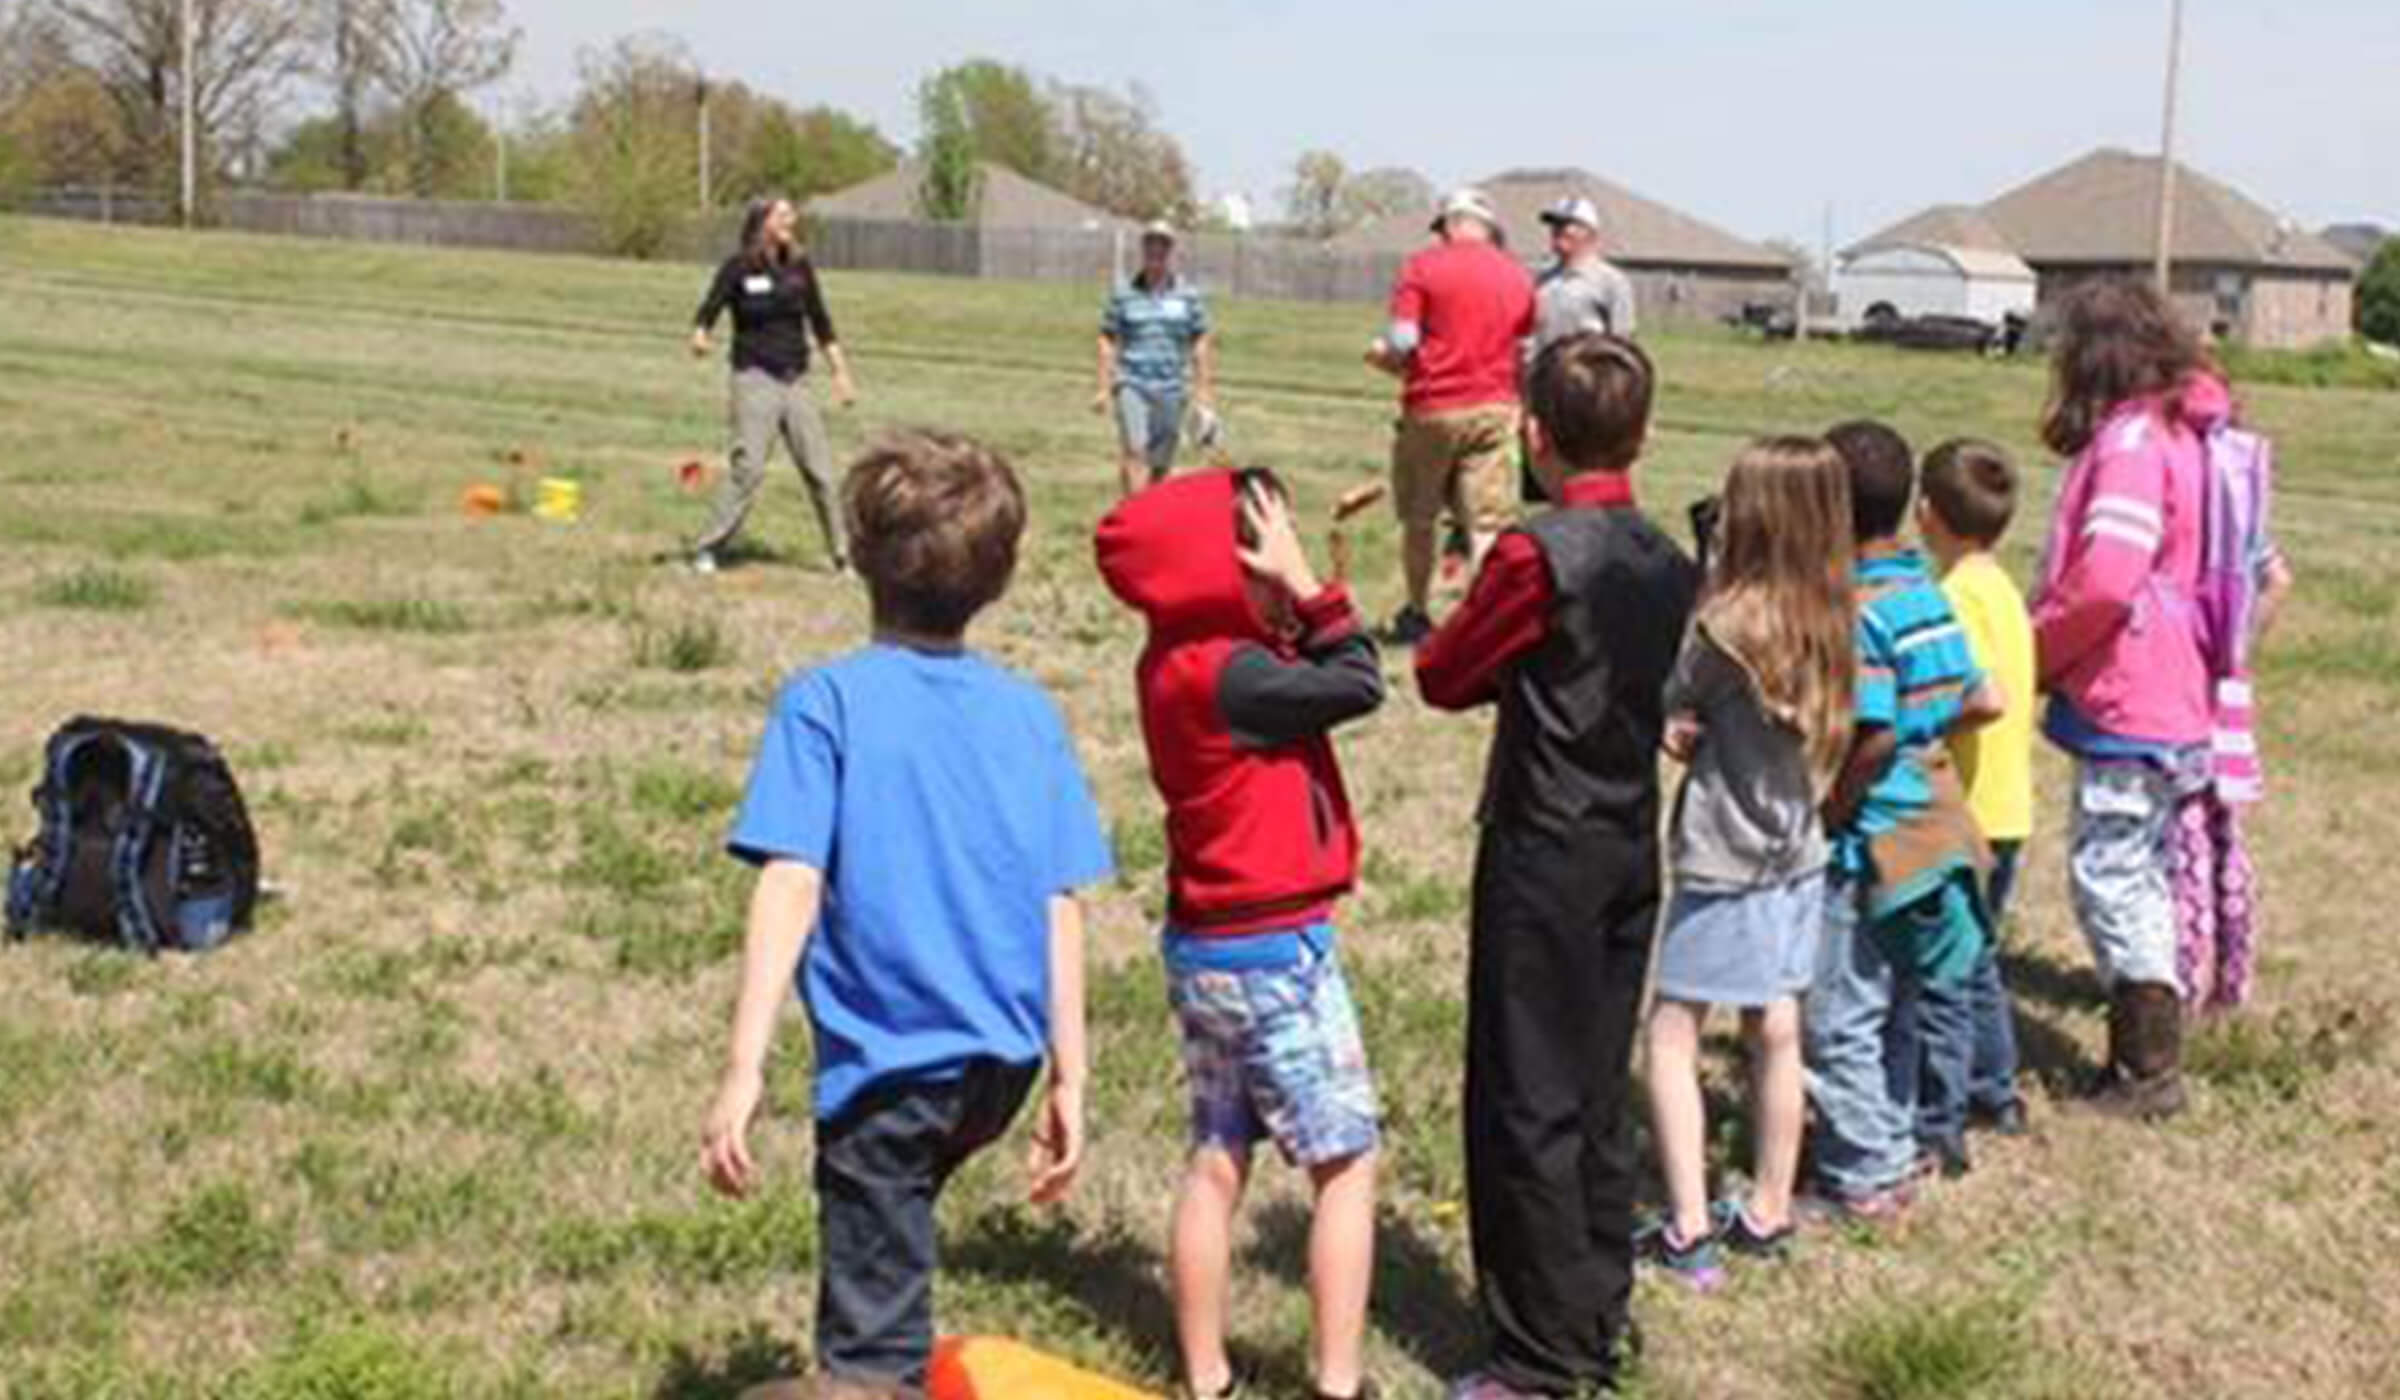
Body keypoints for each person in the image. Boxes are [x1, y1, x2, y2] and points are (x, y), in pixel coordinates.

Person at [699, 430, 1113, 1397]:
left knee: (874, 1346)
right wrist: (1070, 1078)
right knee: (895, 1230)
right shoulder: (1028, 714)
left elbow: (792, 881)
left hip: (895, 1070)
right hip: (998, 1068)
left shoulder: (826, 704)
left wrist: (743, 1066)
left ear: (862, 558)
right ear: (999, 578)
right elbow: (1061, 902)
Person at [1415, 334, 1697, 1399]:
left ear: (1533, 434)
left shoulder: (1539, 555)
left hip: (1544, 843)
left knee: (1525, 1086)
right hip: (1629, 831)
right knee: (1593, 1082)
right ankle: (1596, 1305)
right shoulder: (1668, 555)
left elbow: (1445, 673)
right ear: (1646, 433)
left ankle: (1536, 1352)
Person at [1095, 468, 1385, 1400]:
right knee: (1345, 1165)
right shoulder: (1238, 673)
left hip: (1203, 945)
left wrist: (1282, 602)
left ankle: (1206, 1375)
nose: (1279, 560)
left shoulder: (1179, 658)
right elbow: (1360, 680)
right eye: (1262, 545)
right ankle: (1338, 1384)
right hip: (1279, 956)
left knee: (1219, 1155)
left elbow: (1300, 672)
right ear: (1224, 571)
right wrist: (1313, 586)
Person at [1640, 436, 1854, 1290]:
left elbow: (1673, 693)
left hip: (1728, 852)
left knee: (1669, 1031)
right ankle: (1769, 1206)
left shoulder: (1730, 622)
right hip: (1796, 846)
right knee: (1776, 1026)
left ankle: (1689, 1227)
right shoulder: (1835, 610)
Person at [2029, 277, 2231, 1117]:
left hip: (2131, 689)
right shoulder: (2189, 433)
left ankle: (2148, 1067)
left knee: (2113, 871)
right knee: (2141, 863)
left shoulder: (2132, 444)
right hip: (2177, 680)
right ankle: (2155, 1034)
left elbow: (2108, 579)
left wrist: (2035, 649)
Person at [1803, 420, 2001, 1215]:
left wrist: (1830, 809)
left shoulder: (1857, 608)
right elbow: (1979, 697)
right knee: (1893, 1007)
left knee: (1836, 1016)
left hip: (1872, 840)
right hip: (1938, 823)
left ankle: (1864, 1174)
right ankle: (1889, 1143)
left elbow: (1874, 731)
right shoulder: (1925, 591)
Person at [1916, 439, 2036, 1137]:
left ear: (1926, 513)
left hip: (1967, 812)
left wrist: (1918, 711)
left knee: (1946, 971)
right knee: (1979, 957)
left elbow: (1979, 695)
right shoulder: (2004, 589)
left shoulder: (1956, 596)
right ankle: (1998, 1089)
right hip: (2009, 804)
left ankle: (1944, 1111)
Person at [1366, 189, 1536, 644]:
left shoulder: (1423, 266)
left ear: (1450, 225)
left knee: (1420, 517)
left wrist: (1381, 357)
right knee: (1485, 524)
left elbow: (1402, 341)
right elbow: (1524, 348)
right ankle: (1480, 622)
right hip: (1495, 405)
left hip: (1433, 405)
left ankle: (1418, 612)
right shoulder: (1518, 276)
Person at [688, 195, 859, 575]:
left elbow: (821, 321)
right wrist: (700, 333)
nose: (791, 220)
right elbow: (710, 306)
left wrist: (840, 373)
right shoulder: (739, 268)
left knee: (821, 471)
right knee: (748, 468)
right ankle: (708, 547)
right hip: (754, 378)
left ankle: (843, 555)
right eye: (783, 214)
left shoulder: (800, 267)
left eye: (790, 214)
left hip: (796, 381)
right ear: (762, 221)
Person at [1519, 197, 1639, 503]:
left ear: (1589, 233)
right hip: (1544, 389)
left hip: (1589, 390)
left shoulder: (1610, 282)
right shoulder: (1541, 281)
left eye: (1566, 225)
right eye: (1554, 226)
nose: (1557, 233)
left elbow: (1623, 342)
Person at [1097, 221, 1218, 496]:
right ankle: (1133, 515)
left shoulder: (1188, 296)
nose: (1156, 250)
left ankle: (1152, 515)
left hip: (1172, 387)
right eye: (1151, 243)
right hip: (1132, 382)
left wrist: (1203, 392)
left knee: (1161, 462)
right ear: (1143, 248)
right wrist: (1104, 387)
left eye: (1163, 244)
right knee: (1135, 449)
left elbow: (1201, 339)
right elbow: (1107, 337)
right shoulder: (1124, 293)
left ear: (1171, 251)